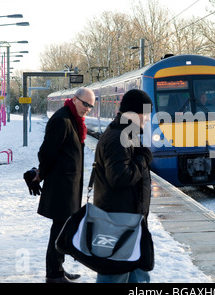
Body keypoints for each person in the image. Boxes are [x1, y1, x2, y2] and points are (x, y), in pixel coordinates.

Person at [34, 87, 95, 283]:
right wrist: (40, 175)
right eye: (85, 104)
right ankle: (54, 273)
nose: (88, 109)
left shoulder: (73, 119)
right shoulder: (62, 120)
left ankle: (57, 267)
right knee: (59, 229)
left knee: (61, 228)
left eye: (91, 106)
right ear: (75, 100)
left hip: (68, 185)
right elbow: (46, 152)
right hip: (61, 187)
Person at [93, 89, 153, 283]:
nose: (148, 118)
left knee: (137, 273)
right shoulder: (119, 138)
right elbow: (119, 178)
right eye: (146, 113)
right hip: (118, 221)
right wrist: (144, 158)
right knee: (114, 275)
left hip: (129, 218)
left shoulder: (126, 134)